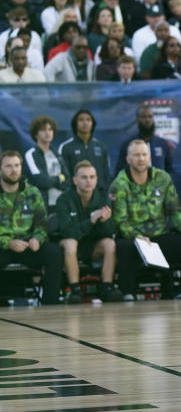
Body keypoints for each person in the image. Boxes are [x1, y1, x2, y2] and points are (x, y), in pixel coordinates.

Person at [112, 140, 181, 300]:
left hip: (159, 235)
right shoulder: (119, 184)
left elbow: (175, 211)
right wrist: (137, 236)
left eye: (144, 154)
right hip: (134, 238)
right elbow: (120, 221)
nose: (141, 159)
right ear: (128, 159)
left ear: (149, 157)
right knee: (124, 247)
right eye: (136, 155)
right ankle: (128, 293)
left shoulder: (162, 177)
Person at [0, 150, 63, 305]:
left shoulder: (32, 192)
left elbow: (42, 223)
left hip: (26, 246)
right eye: (8, 166)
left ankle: (50, 304)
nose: (13, 170)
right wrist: (8, 243)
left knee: (54, 253)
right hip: (3, 247)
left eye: (17, 165)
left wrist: (37, 238)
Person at [55, 161, 123, 303]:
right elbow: (68, 232)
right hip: (70, 245)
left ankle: (107, 288)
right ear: (75, 180)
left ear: (97, 179)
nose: (89, 181)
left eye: (92, 177)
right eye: (84, 177)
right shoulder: (63, 200)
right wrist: (91, 220)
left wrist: (105, 221)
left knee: (110, 244)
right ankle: (75, 290)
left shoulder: (104, 197)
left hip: (92, 245)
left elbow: (110, 232)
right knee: (70, 243)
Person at [116, 105, 175, 176]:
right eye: (144, 117)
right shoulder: (128, 144)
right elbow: (120, 170)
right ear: (137, 120)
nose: (147, 120)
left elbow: (169, 170)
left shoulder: (162, 144)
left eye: (150, 117)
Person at [24, 115, 69, 208]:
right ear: (36, 134)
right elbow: (41, 181)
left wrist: (56, 180)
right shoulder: (31, 154)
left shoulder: (57, 154)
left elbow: (67, 179)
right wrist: (59, 179)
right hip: (40, 205)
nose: (47, 133)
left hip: (60, 204)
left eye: (50, 129)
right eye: (43, 130)